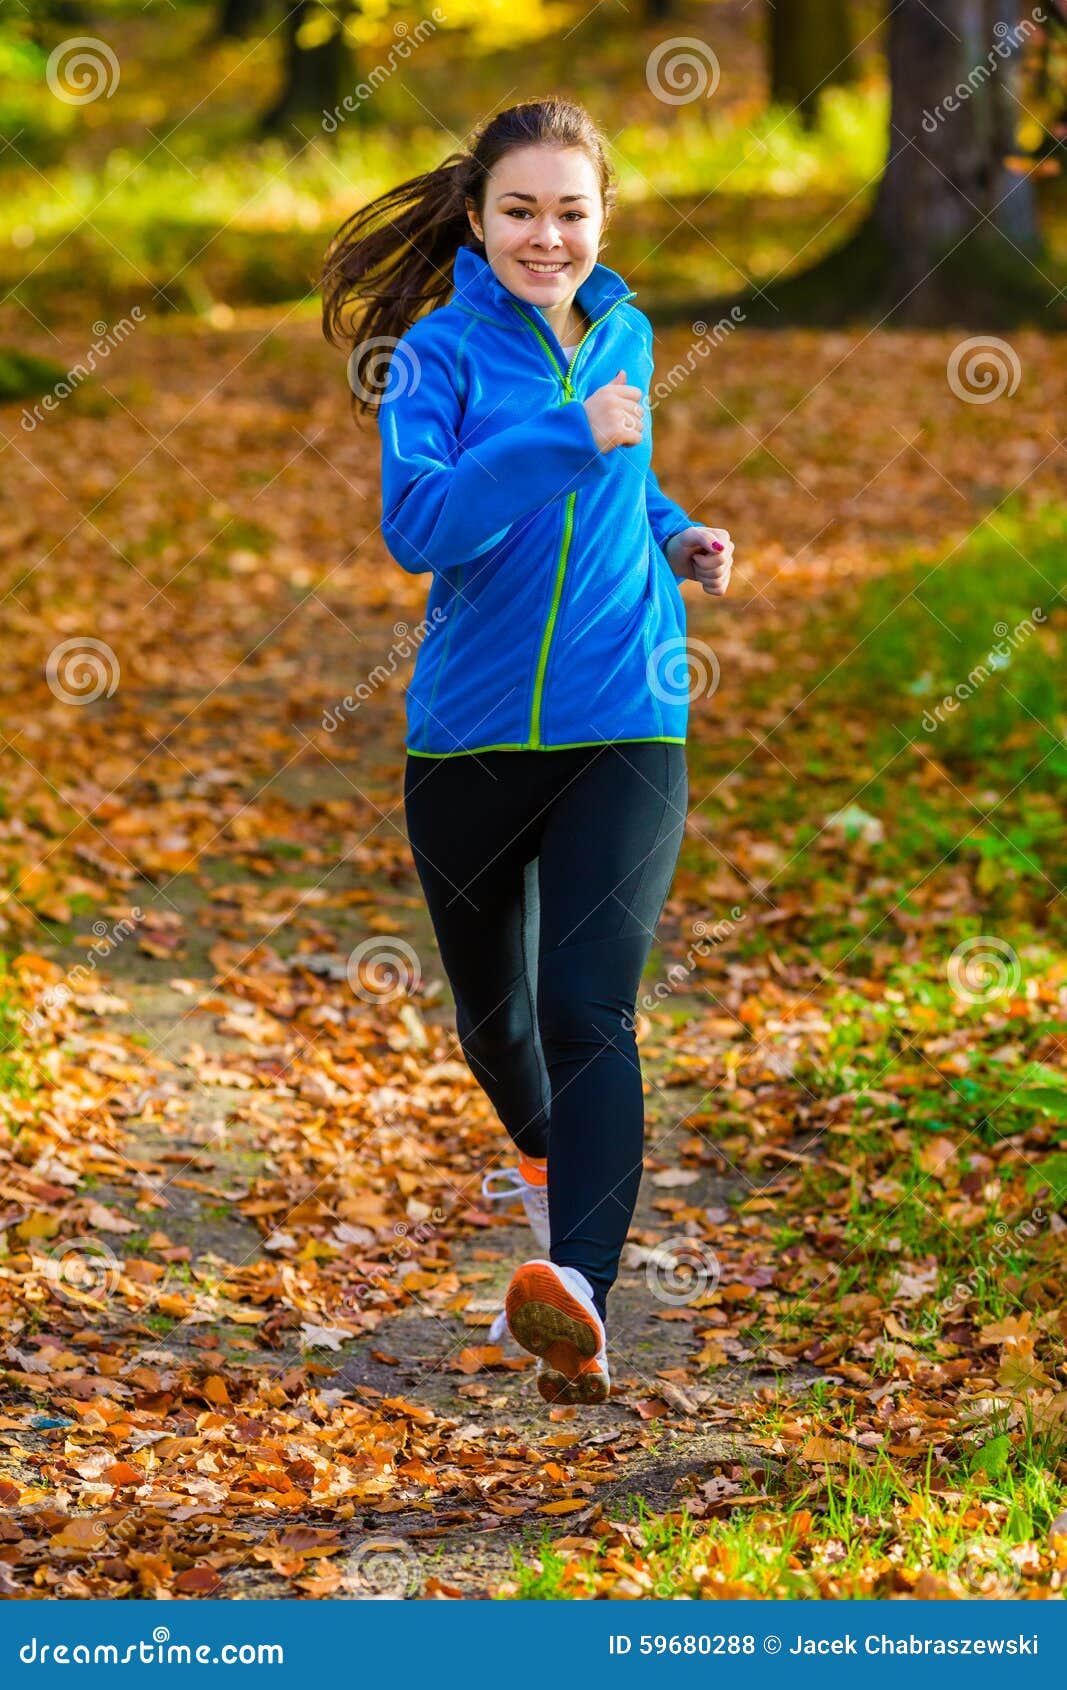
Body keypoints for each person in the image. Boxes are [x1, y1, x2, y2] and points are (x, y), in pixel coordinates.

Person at [322, 96, 733, 1406]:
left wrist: (676, 535)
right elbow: (422, 523)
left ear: (601, 217)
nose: (548, 234)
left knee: (588, 1008)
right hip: (469, 739)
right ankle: (558, 1178)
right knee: (496, 1022)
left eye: (572, 209)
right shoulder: (433, 359)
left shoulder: (628, 331)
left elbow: (632, 472)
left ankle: (583, 1294)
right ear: (479, 217)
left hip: (629, 711)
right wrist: (570, 434)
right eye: (522, 210)